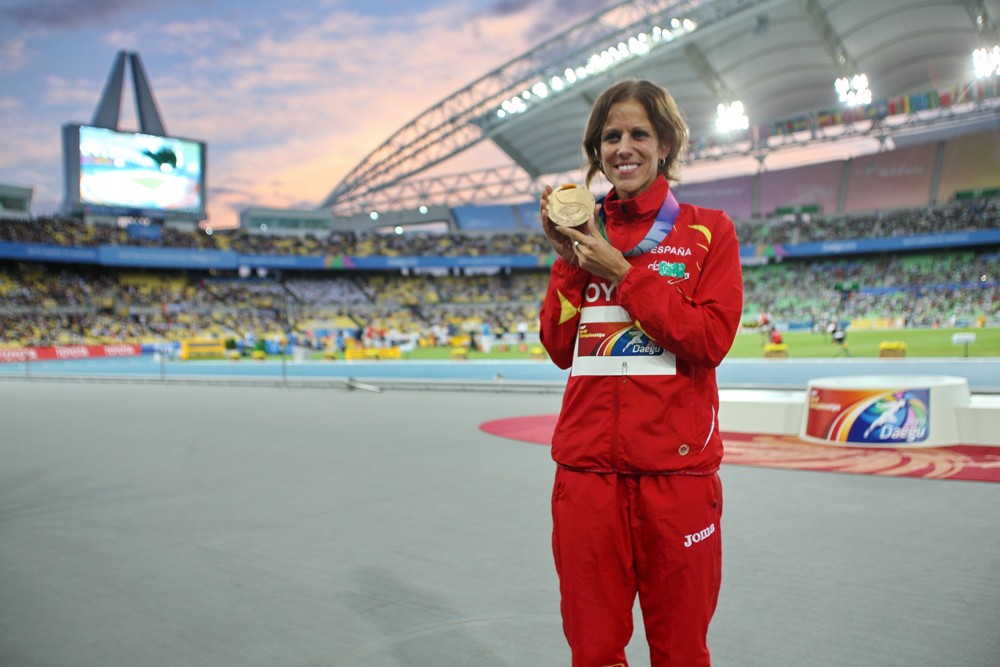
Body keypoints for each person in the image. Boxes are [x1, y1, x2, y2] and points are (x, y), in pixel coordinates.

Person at [538, 78, 743, 667]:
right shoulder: (584, 233)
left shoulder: (709, 229)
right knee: (594, 651)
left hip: (676, 478)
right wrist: (569, 261)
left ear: (665, 145)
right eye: (611, 137)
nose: (623, 147)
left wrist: (624, 275)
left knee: (680, 652)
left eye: (638, 134)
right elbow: (558, 347)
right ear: (597, 151)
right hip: (587, 477)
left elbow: (710, 339)